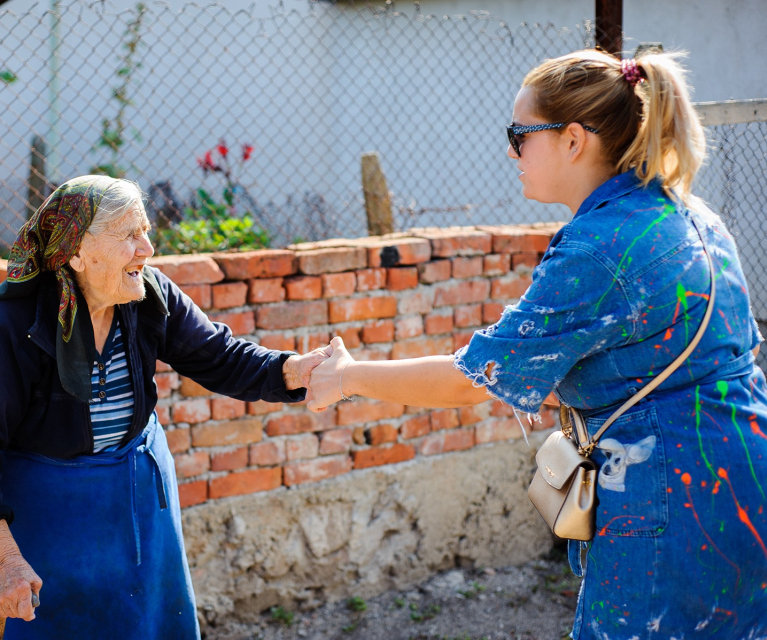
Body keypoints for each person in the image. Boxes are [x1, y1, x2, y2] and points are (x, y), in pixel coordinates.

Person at [307, 50, 767, 637]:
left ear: (574, 140)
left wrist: (348, 375)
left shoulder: (597, 248)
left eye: (519, 135)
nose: (510, 151)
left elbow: (473, 376)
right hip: (745, 485)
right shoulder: (694, 217)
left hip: (672, 504)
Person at [0, 175, 328, 639]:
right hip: (48, 516)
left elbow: (219, 357)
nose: (146, 248)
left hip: (138, 503)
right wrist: (4, 559)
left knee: (145, 624)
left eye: (145, 230)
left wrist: (295, 370)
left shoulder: (149, 297)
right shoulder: (15, 324)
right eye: (129, 235)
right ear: (77, 254)